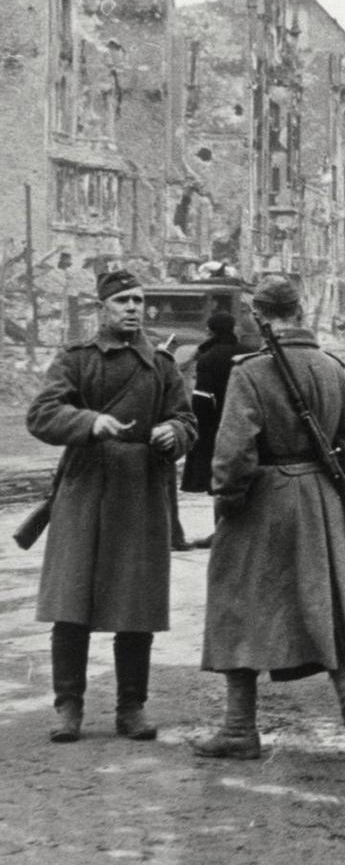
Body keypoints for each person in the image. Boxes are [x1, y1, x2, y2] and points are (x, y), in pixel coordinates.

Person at [193, 275, 345, 761]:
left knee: (238, 603)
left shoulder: (250, 372)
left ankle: (239, 729)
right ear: (300, 312)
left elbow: (232, 454)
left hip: (262, 501)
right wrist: (338, 491)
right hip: (322, 499)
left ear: (259, 315)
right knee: (333, 606)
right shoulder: (332, 368)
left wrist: (229, 501)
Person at [26, 269, 196, 743]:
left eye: (139, 300)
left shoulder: (162, 366)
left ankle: (131, 708)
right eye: (122, 300)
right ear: (102, 307)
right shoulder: (76, 359)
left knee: (136, 605)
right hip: (84, 488)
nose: (133, 308)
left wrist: (174, 434)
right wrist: (89, 422)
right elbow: (41, 414)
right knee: (71, 602)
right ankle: (68, 707)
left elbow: (187, 419)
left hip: (141, 490)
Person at [182, 312, 245, 494]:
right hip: (242, 414)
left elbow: (202, 397)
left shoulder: (207, 357)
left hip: (214, 417)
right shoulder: (247, 352)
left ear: (210, 330)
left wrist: (197, 423)